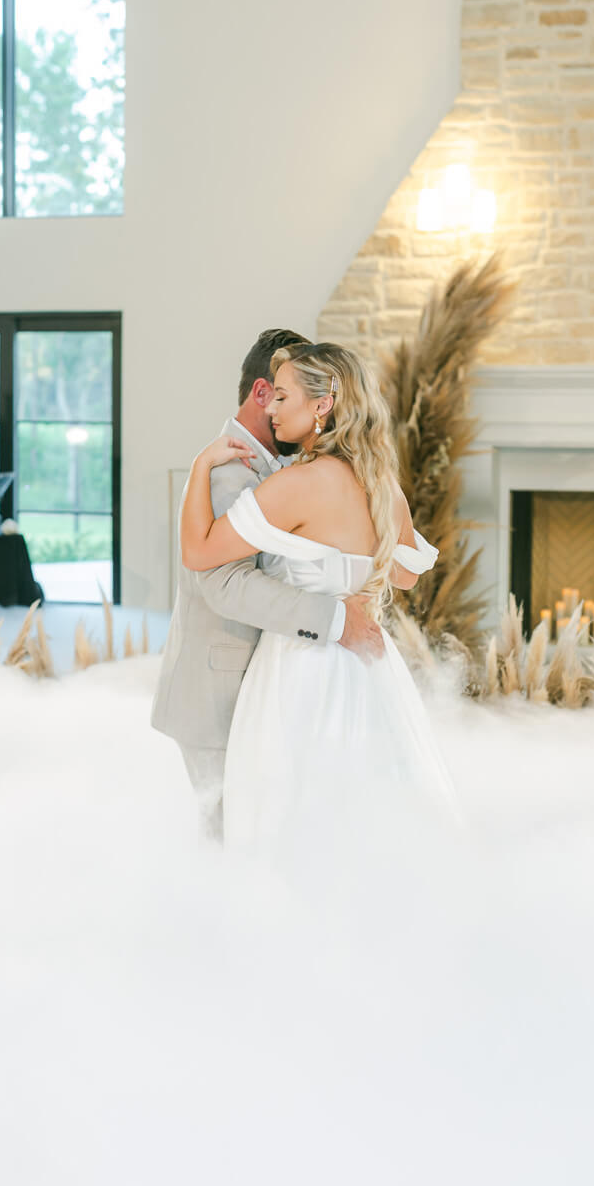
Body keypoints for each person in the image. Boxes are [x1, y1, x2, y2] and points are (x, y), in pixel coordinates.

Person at [180, 341, 460, 869]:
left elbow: (199, 552)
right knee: (369, 809)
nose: (270, 408)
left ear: (322, 405)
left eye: (282, 396)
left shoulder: (298, 485)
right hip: (372, 670)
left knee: (289, 816)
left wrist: (201, 467)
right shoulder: (384, 488)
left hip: (299, 670)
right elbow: (402, 573)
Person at [150, 330, 383, 843]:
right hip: (220, 690)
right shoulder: (226, 470)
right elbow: (223, 583)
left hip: (278, 680)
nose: (280, 408)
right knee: (230, 839)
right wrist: (336, 620)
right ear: (262, 393)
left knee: (272, 832)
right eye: (277, 395)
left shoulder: (295, 468)